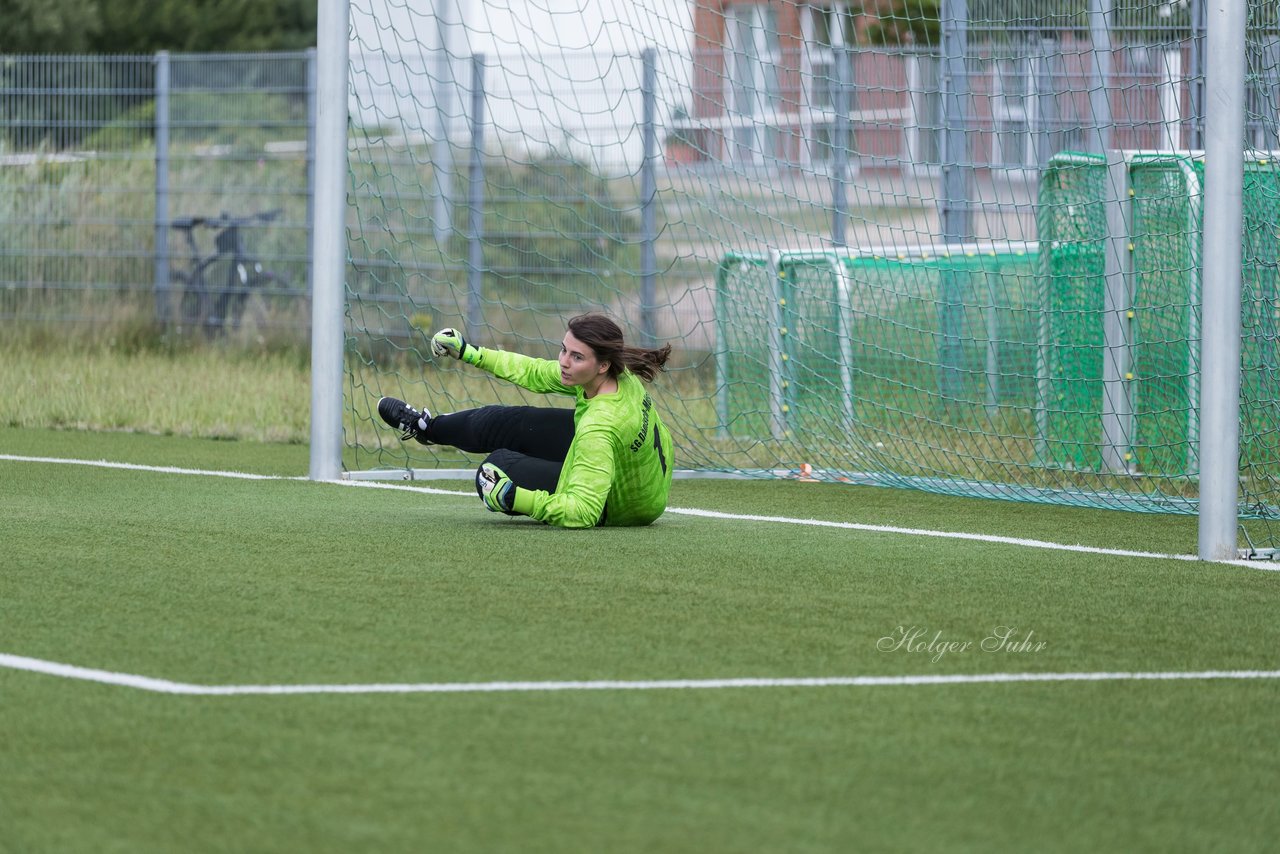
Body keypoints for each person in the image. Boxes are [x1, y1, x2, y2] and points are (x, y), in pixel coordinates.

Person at [377, 313, 674, 528]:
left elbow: (584, 511)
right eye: (563, 349)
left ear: (602, 365)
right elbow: (533, 371)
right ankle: (426, 427)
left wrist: (514, 498)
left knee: (494, 470)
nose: (564, 361)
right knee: (509, 422)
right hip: (633, 469)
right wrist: (469, 352)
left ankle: (509, 479)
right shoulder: (615, 376)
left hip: (622, 502)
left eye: (576, 357)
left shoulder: (598, 427)